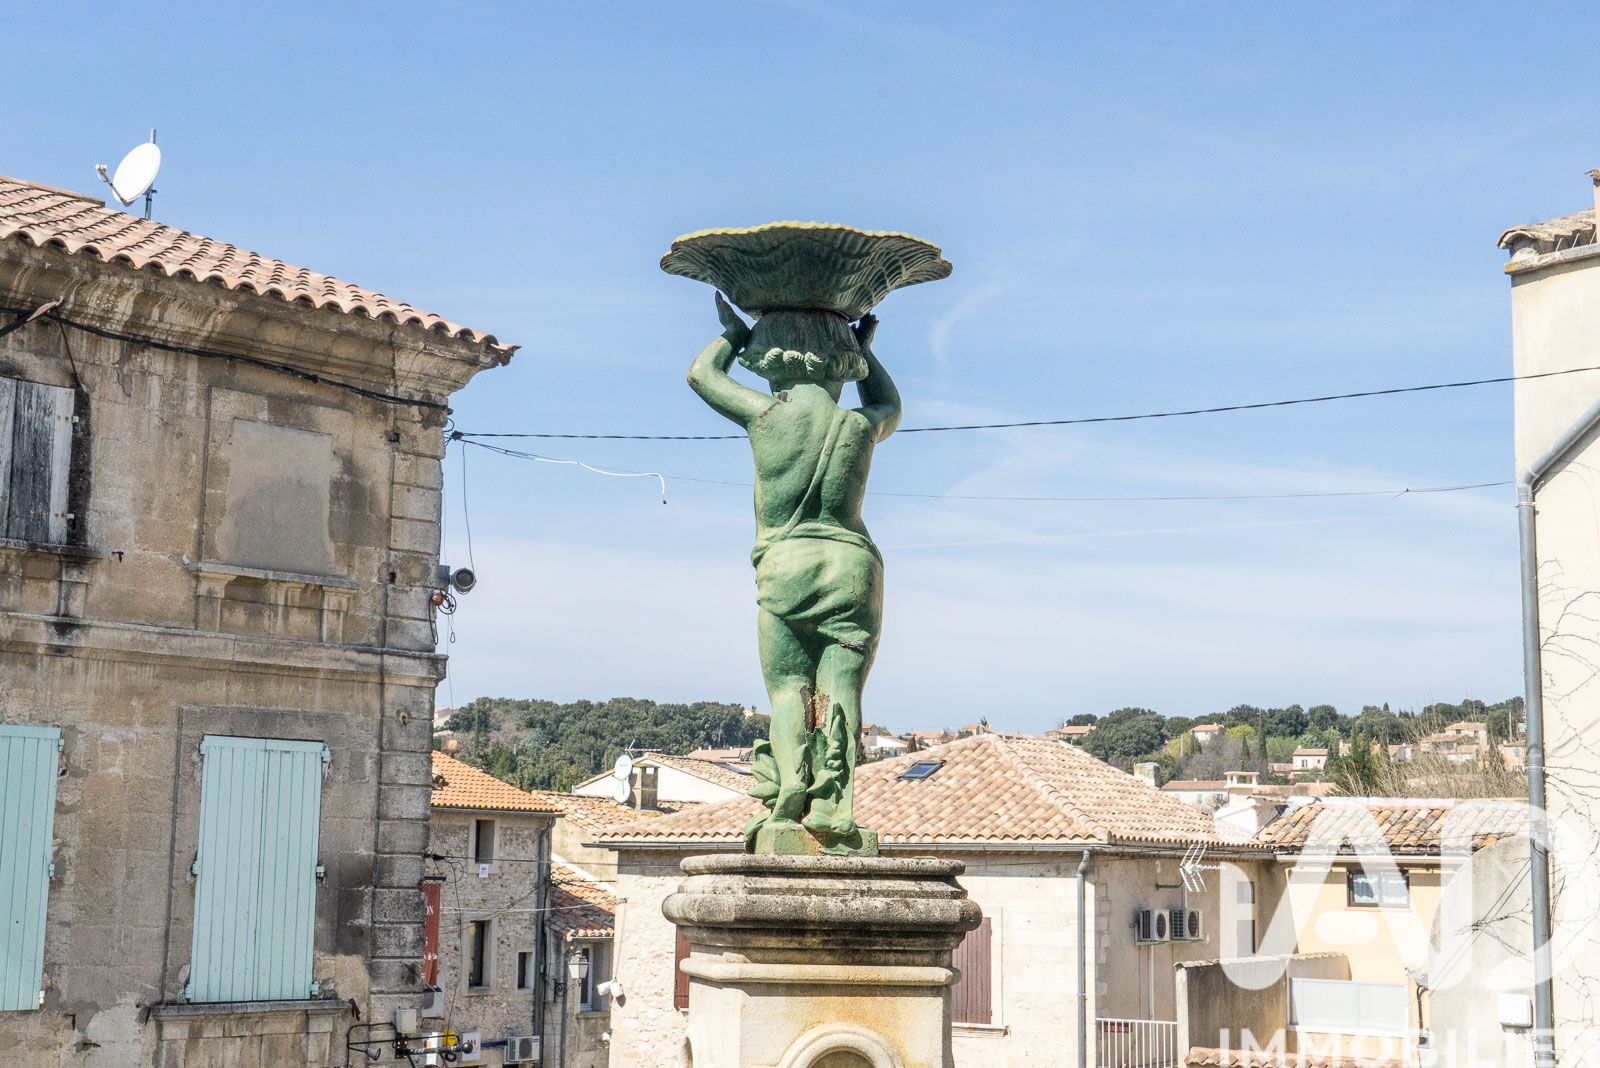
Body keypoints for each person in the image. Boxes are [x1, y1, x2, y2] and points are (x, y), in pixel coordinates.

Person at [687, 294, 901, 848]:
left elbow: (701, 375)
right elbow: (890, 404)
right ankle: (833, 807)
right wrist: (866, 352)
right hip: (852, 564)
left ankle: (789, 793)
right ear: (844, 368)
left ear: (769, 363)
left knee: (788, 689)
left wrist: (732, 334)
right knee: (842, 689)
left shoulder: (765, 415)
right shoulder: (857, 424)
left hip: (789, 563)